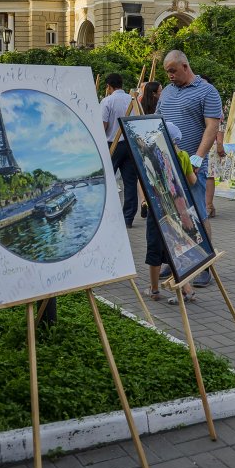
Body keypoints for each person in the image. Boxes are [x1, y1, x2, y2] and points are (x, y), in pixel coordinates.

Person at [157, 51, 222, 287]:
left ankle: (205, 264)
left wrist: (198, 157)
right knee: (174, 213)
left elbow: (212, 127)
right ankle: (177, 258)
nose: (170, 75)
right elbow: (158, 122)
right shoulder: (167, 91)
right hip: (169, 165)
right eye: (167, 72)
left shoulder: (207, 91)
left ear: (185, 66)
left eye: (173, 71)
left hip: (192, 166)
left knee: (198, 213)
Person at [144, 121, 197, 304]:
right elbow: (192, 181)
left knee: (155, 247)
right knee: (178, 247)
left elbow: (148, 183)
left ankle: (154, 289)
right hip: (179, 209)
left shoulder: (154, 157)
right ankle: (187, 288)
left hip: (158, 209)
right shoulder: (182, 155)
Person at [100, 73, 138, 227]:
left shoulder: (107, 101)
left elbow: (103, 126)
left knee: (107, 180)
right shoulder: (133, 100)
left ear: (109, 86)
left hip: (113, 144)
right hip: (130, 144)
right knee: (130, 182)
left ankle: (106, 215)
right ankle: (128, 218)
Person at [198, 74, 226, 219]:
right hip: (198, 142)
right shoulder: (196, 99)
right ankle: (203, 205)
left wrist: (220, 144)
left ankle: (208, 206)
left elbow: (219, 125)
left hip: (212, 144)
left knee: (209, 175)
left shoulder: (213, 101)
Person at [138, 81, 162, 218]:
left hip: (142, 143)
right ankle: (156, 199)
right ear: (154, 93)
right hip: (156, 143)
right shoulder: (160, 106)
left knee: (143, 174)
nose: (162, 93)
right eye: (160, 91)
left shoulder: (140, 104)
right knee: (156, 171)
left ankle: (143, 201)